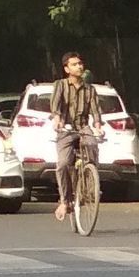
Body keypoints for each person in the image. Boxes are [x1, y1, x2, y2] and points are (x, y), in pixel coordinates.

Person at [50, 52, 103, 222]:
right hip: (66, 129)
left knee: (93, 144)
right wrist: (57, 120)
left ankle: (90, 182)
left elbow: (95, 112)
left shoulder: (90, 89)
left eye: (80, 63)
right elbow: (56, 106)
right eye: (74, 64)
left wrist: (98, 127)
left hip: (83, 127)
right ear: (66, 69)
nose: (79, 67)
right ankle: (65, 201)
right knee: (63, 164)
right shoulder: (61, 85)